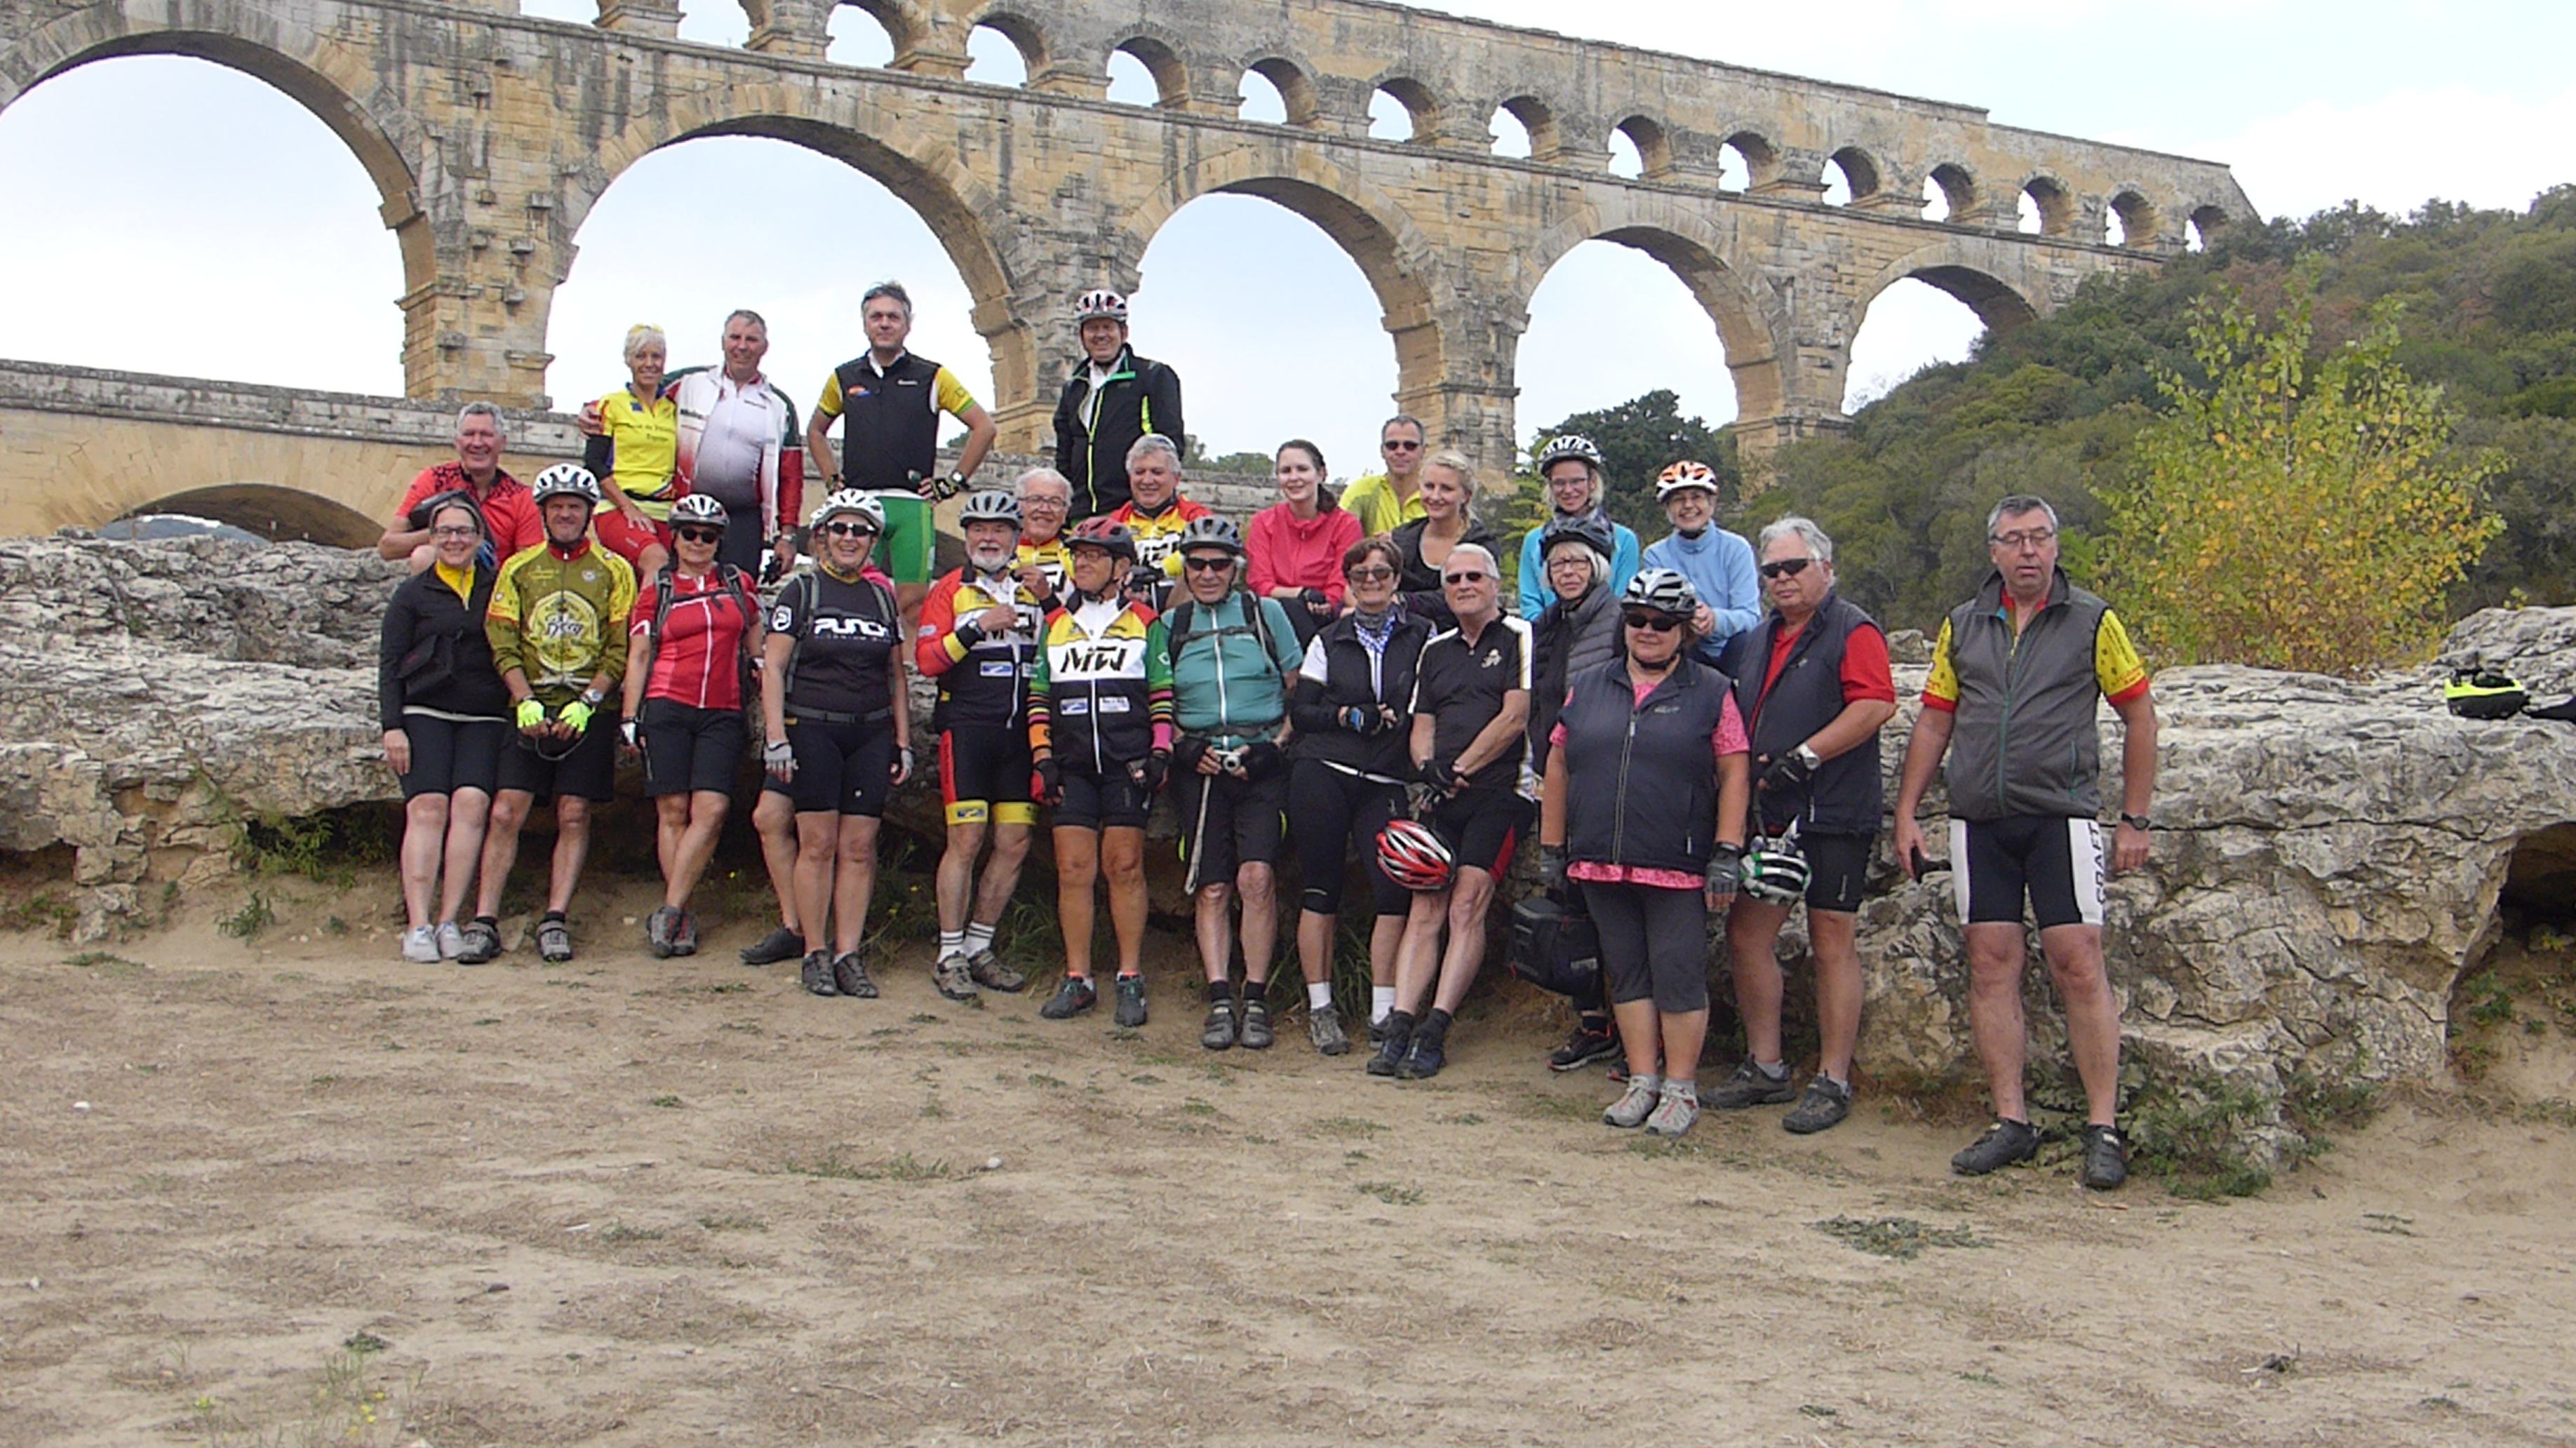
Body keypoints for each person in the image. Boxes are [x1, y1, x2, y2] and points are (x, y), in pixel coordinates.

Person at [1891, 495, 2159, 1190]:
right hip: (1981, 819)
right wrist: (1907, 812)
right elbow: (1933, 723)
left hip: (2060, 814)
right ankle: (2011, 1121)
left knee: (2077, 962)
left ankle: (2103, 1126)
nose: (2028, 551)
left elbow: (2139, 714)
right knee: (1991, 963)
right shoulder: (1962, 624)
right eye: (2014, 540)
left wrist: (2135, 818)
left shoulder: (2093, 620)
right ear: (1994, 553)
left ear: (2056, 546)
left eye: (2040, 537)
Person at [1537, 568, 1750, 1139]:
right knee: (1628, 974)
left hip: (1676, 859)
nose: (1647, 630)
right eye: (1637, 620)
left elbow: (1734, 772)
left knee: (1678, 974)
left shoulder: (1711, 690)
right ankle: (1642, 1080)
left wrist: (1727, 849)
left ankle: (1681, 1087)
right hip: (1601, 856)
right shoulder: (1592, 685)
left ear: (1684, 630)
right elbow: (1558, 764)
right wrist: (1553, 845)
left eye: (1662, 622)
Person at [1712, 517, 1897, 1133]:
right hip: (1773, 810)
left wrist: (1807, 756)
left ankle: (1833, 1079)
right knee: (1747, 935)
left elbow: (1875, 702)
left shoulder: (1853, 627)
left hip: (1835, 809)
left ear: (1826, 567)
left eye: (1795, 567)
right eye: (1773, 571)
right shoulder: (1762, 636)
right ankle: (1766, 1066)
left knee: (1832, 941)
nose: (1783, 580)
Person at [455, 464, 637, 965]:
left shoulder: (616, 570)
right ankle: (485, 918)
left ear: (587, 513)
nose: (564, 514)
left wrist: (590, 703)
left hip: (586, 706)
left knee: (573, 813)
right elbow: (502, 639)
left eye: (573, 507)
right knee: (505, 810)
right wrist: (523, 700)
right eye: (556, 507)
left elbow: (620, 647)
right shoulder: (517, 568)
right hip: (529, 702)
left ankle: (555, 918)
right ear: (543, 512)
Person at [1371, 543, 1534, 1080]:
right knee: (1425, 907)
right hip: (1443, 794)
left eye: (1474, 577)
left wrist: (1460, 765)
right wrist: (1428, 767)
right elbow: (1423, 721)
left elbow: (1516, 716)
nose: (1464, 585)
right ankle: (1399, 1025)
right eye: (1454, 579)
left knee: (1467, 902)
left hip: (1501, 788)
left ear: (1494, 583)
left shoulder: (1519, 636)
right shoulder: (1435, 649)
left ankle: (1435, 1029)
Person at [762, 490, 912, 1000]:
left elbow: (896, 675)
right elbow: (774, 666)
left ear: (873, 540)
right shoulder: (801, 591)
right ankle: (815, 951)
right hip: (814, 727)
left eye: (862, 531)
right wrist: (777, 738)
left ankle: (849, 953)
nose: (851, 539)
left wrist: (904, 742)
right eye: (841, 529)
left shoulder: (880, 597)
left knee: (859, 848)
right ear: (822, 535)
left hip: (869, 732)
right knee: (818, 845)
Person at [1163, 516, 1305, 1052]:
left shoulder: (1266, 614)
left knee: (1257, 878)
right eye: (1195, 564)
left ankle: (1258, 996)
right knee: (1214, 884)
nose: (1206, 574)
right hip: (1199, 765)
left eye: (1218, 564)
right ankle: (1220, 997)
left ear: (1236, 568)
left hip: (1260, 759)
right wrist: (1184, 746)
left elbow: (1299, 691)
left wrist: (1275, 748)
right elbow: (1159, 700)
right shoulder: (1171, 625)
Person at [1285, 537, 1431, 1056]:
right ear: (1348, 582)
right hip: (1324, 768)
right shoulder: (1330, 637)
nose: (1372, 582)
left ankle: (1384, 1008)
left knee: (1394, 890)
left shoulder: (1423, 634)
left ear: (1397, 580)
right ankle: (1322, 1007)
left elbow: (1430, 697)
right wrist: (1348, 715)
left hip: (1386, 776)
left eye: (1382, 574)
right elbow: (1303, 712)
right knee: (1321, 889)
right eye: (1361, 575)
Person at [1028, 517, 1174, 1026]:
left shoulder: (1145, 622)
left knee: (1125, 867)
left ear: (1121, 567)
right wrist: (1042, 755)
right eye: (1078, 555)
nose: (1083, 563)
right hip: (1071, 765)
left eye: (1094, 555)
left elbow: (1161, 691)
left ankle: (1130, 977)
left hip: (1124, 764)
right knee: (1073, 871)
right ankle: (1078, 978)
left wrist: (1160, 751)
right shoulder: (1057, 624)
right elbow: (1040, 696)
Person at [619, 492, 764, 959]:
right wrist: (629, 715)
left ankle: (670, 907)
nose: (699, 543)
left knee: (714, 809)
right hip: (667, 703)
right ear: (675, 537)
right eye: (690, 534)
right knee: (673, 810)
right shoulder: (657, 588)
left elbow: (753, 637)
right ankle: (679, 917)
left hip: (723, 707)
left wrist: (761, 663)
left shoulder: (738, 583)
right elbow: (639, 653)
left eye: (709, 536)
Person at [915, 488, 1045, 1003]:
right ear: (967, 536)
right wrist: (974, 630)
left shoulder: (1033, 587)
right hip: (967, 729)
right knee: (965, 843)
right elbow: (926, 660)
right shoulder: (951, 589)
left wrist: (1051, 600)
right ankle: (948, 952)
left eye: (999, 530)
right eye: (978, 530)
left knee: (1013, 844)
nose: (988, 538)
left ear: (1017, 538)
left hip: (1020, 736)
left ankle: (978, 946)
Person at [806, 281, 998, 614]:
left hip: (912, 504)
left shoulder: (933, 376)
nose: (884, 324)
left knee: (912, 604)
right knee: (851, 596)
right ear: (865, 323)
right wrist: (832, 482)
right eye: (876, 317)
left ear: (907, 325)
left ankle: (909, 668)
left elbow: (984, 427)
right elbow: (815, 431)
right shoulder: (844, 376)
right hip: (861, 502)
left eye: (893, 317)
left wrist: (952, 482)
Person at [377, 497, 510, 963]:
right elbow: (390, 663)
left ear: (479, 539)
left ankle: (451, 917)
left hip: (484, 715)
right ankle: (418, 922)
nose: (454, 540)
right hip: (426, 711)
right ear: (432, 539)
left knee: (472, 805)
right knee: (428, 808)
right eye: (445, 532)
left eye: (463, 532)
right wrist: (392, 725)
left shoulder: (498, 588)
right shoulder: (413, 594)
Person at [1523, 512, 1624, 1072]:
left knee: (1619, 912)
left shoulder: (1621, 620)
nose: (1565, 571)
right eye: (1557, 562)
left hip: (1610, 780)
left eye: (1576, 561)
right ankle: (1594, 1023)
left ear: (1598, 567)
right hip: (1558, 778)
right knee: (1571, 904)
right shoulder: (1549, 627)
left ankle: (1641, 1033)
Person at [670, 309, 804, 584]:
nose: (742, 346)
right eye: (735, 337)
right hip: (688, 508)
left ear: (765, 347)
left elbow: (791, 476)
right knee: (679, 589)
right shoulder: (688, 382)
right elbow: (638, 394)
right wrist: (596, 412)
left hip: (744, 517)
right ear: (723, 341)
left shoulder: (779, 405)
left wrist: (787, 536)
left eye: (752, 340)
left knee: (739, 593)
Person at [1051, 288, 1185, 521]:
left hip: (1131, 508)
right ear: (1082, 335)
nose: (1100, 335)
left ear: (1123, 333)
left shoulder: (1153, 376)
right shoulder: (1074, 387)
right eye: (1093, 328)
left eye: (1108, 327)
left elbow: (1170, 445)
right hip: (1082, 509)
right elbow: (1065, 449)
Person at [378, 402, 542, 572]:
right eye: (469, 434)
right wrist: (443, 533)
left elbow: (529, 564)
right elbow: (388, 547)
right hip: (441, 587)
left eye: (486, 435)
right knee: (424, 555)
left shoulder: (521, 497)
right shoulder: (434, 481)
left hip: (494, 588)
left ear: (503, 443)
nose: (477, 443)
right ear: (457, 442)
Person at [583, 323, 680, 582]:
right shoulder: (611, 404)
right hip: (620, 507)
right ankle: (648, 625)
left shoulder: (674, 408)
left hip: (664, 509)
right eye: (641, 356)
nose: (649, 364)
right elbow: (593, 463)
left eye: (656, 356)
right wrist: (628, 508)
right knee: (657, 561)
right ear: (629, 361)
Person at [1639, 460, 1761, 666]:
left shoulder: (1736, 548)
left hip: (1733, 650)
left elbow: (1750, 616)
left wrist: (1714, 620)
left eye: (1696, 497)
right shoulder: (1655, 555)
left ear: (1711, 504)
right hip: (1686, 651)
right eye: (1678, 500)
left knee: (1745, 642)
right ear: (1668, 508)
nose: (1688, 506)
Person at [1246, 438, 1362, 650]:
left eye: (1302, 469)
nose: (1294, 478)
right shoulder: (1263, 523)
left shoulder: (1346, 524)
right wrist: (1301, 593)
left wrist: (1322, 601)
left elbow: (1341, 581)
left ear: (1321, 474)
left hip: (1326, 616)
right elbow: (1260, 583)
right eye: (1286, 471)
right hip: (1274, 613)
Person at [1516, 434, 1641, 620]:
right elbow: (1530, 601)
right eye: (1559, 483)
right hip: (1548, 638)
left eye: (1576, 481)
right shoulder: (1534, 541)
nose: (1568, 490)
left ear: (1592, 482)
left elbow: (1623, 599)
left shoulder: (1623, 540)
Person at [1388, 450, 1499, 629]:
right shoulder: (1401, 539)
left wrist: (1407, 600)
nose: (1435, 496)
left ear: (1466, 496)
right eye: (1429, 487)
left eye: (1446, 489)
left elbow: (1471, 595)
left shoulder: (1481, 543)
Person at [1106, 434, 1211, 609]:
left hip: (1181, 611)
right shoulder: (1116, 521)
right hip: (1126, 611)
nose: (1147, 480)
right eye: (1139, 472)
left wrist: (1160, 570)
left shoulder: (1196, 515)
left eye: (1157, 472)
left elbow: (1206, 551)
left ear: (1176, 479)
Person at [1339, 415, 1430, 539]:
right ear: (1382, 451)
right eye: (1392, 445)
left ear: (1424, 451)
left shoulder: (1434, 496)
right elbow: (1339, 534)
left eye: (1410, 446)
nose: (1400, 451)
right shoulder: (1362, 490)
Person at [1012, 467, 1077, 612]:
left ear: (1066, 511)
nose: (1045, 509)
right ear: (1018, 505)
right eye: (1035, 500)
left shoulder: (1079, 551)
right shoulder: (999, 548)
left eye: (1055, 502)